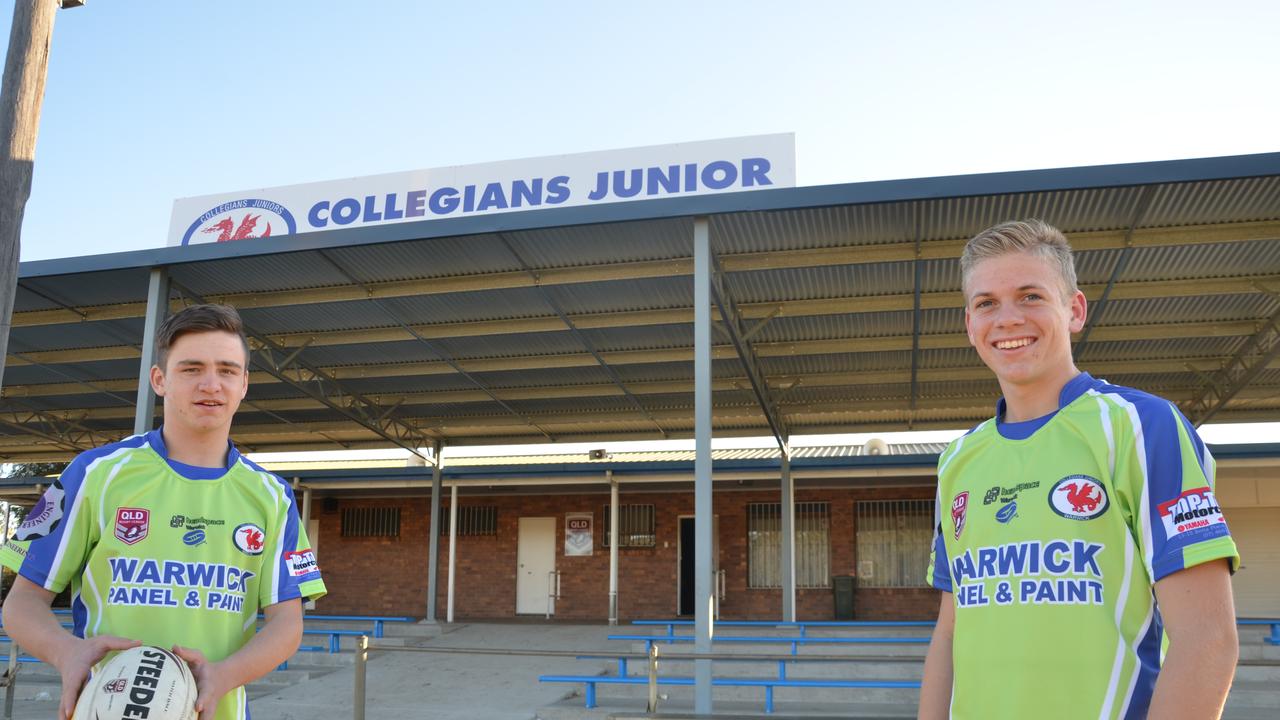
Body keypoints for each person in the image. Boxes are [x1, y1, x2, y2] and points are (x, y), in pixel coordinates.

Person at [918, 220, 1239, 719]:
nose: (1007, 319)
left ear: (1074, 310)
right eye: (986, 303)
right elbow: (949, 633)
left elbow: (1208, 639)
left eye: (1030, 296)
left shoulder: (1140, 426)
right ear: (969, 325)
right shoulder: (958, 461)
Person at [1, 304, 325, 720]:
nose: (211, 384)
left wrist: (223, 675)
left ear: (244, 383)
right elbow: (22, 602)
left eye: (227, 370)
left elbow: (287, 623)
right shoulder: (93, 473)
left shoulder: (273, 496)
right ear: (160, 379)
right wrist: (67, 652)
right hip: (106, 707)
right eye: (192, 369)